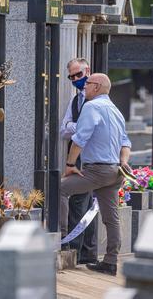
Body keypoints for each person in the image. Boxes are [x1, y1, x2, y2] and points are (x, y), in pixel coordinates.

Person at [60, 73, 131, 276]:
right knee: (111, 217)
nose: (85, 87)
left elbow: (80, 139)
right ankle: (110, 261)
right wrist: (124, 161)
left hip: (97, 170)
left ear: (97, 87)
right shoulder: (116, 110)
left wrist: (70, 164)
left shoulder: (91, 107)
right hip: (115, 170)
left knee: (60, 189)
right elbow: (125, 142)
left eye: (88, 84)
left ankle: (60, 240)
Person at [59, 58, 98, 264]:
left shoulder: (98, 98)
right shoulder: (75, 101)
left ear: (88, 71)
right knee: (85, 202)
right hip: (78, 158)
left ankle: (76, 250)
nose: (76, 79)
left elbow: (92, 130)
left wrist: (78, 126)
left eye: (79, 75)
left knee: (79, 202)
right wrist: (80, 126)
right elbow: (64, 129)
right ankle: (86, 253)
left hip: (92, 160)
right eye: (72, 77)